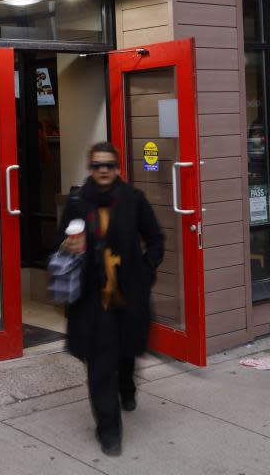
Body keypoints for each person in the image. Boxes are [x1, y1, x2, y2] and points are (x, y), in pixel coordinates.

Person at [57, 141, 164, 456]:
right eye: (97, 165)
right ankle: (109, 431)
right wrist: (67, 248)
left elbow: (156, 239)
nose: (103, 170)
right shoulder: (78, 203)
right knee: (100, 363)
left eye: (108, 165)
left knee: (127, 352)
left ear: (117, 169)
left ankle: (127, 388)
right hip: (92, 298)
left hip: (128, 293)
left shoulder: (133, 200)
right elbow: (59, 244)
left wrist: (145, 271)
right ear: (90, 169)